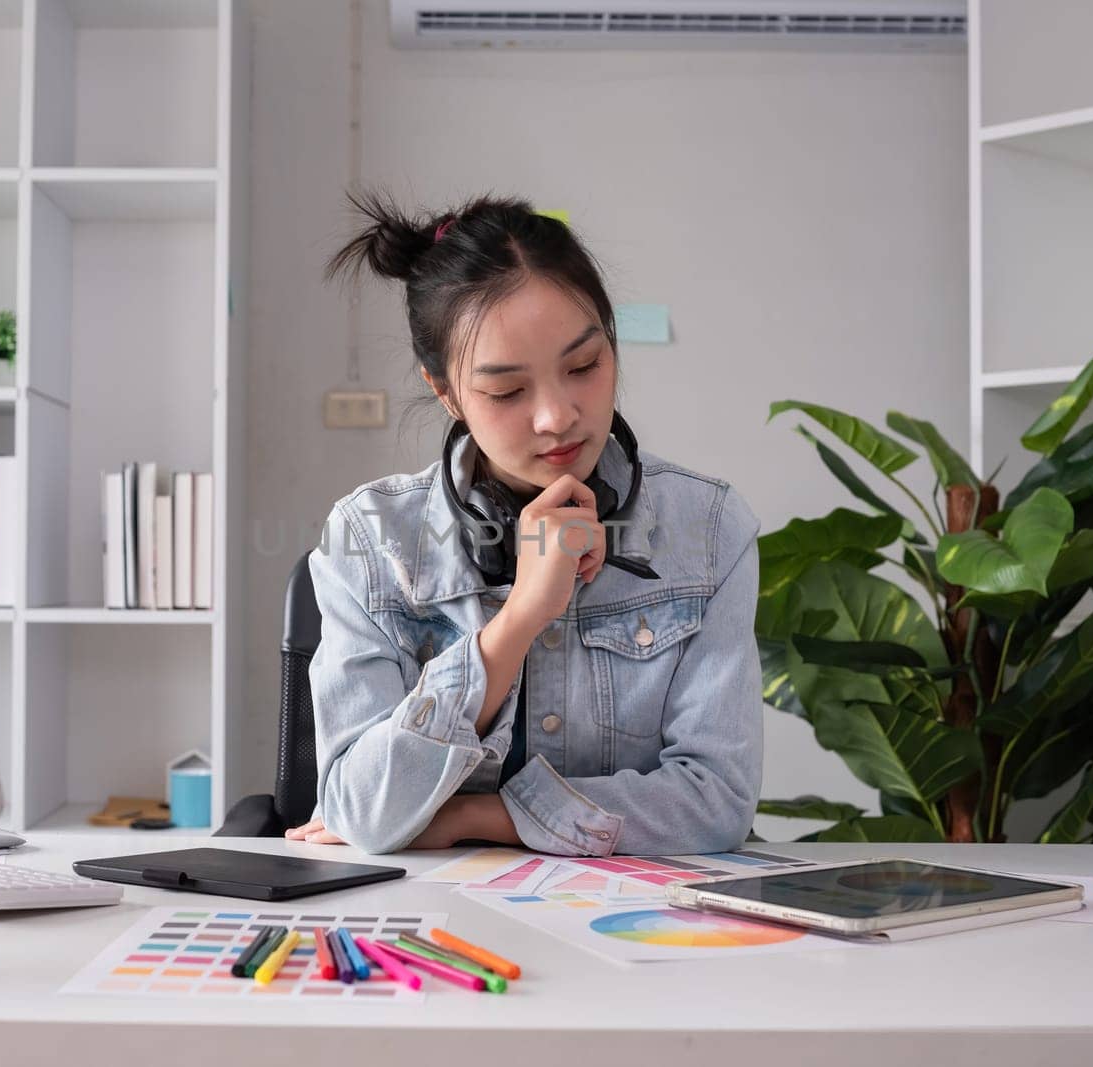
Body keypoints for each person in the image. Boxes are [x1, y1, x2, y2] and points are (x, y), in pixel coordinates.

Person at [284, 190, 762, 856]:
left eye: (585, 366)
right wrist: (518, 622)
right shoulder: (368, 540)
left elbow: (716, 802)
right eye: (507, 390)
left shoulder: (707, 529)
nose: (557, 415)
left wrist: (473, 817)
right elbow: (363, 810)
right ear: (445, 391)